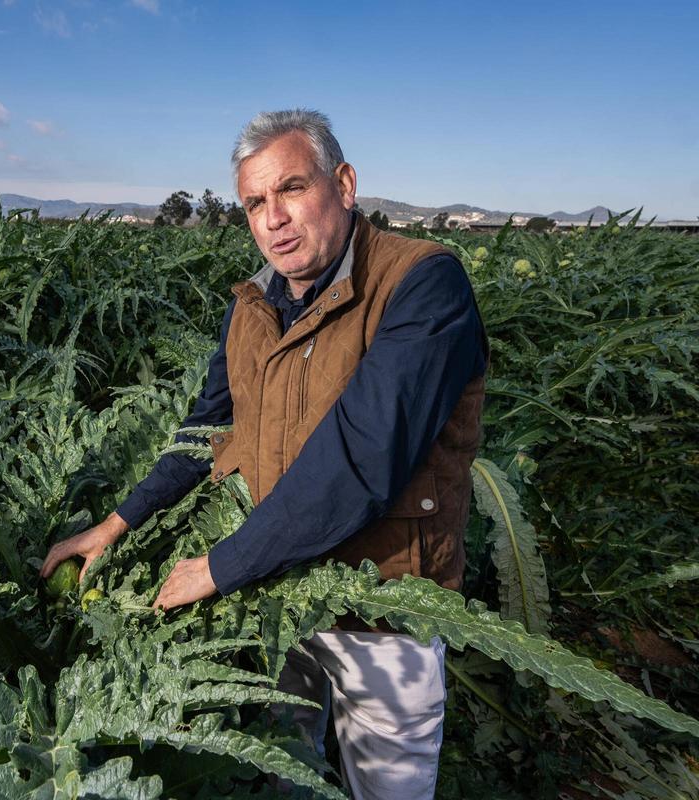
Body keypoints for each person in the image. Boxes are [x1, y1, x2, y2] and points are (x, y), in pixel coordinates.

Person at [40, 108, 489, 799]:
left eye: (292, 188)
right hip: (274, 600)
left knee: (386, 790)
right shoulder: (251, 304)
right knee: (290, 774)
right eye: (255, 202)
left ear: (343, 184)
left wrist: (221, 565)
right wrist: (119, 522)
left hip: (382, 612)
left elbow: (363, 456)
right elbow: (204, 433)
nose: (273, 217)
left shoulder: (422, 284)